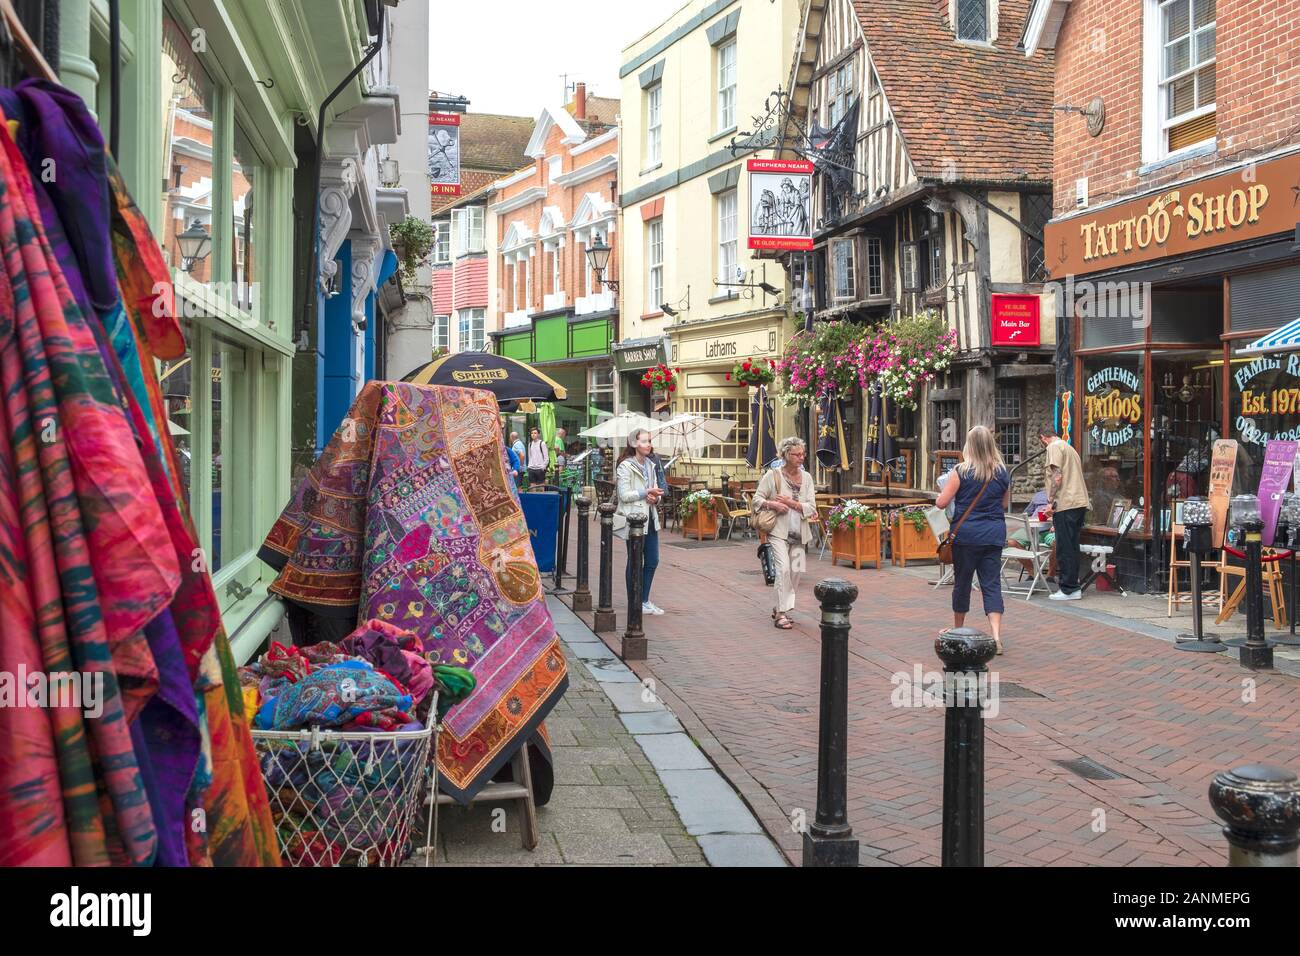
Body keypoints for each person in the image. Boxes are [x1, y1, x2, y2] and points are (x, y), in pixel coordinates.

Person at [935, 425, 1012, 653]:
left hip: (966, 535)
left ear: (970, 445)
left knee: (963, 583)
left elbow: (941, 503)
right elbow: (1004, 504)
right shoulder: (1001, 472)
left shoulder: (960, 471)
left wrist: (943, 494)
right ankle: (996, 637)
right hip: (993, 534)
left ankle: (959, 629)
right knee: (992, 585)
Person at [752, 436, 817, 630]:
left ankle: (781, 607)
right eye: (797, 454)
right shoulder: (772, 476)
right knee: (784, 570)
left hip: (800, 535)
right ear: (786, 455)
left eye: (803, 454)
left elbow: (812, 507)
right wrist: (772, 504)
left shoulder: (807, 478)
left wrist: (791, 504)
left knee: (796, 573)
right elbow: (756, 499)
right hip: (779, 532)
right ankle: (781, 614)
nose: (801, 458)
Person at [614, 429, 665, 616]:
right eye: (644, 441)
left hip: (650, 518)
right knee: (635, 560)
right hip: (634, 519)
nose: (648, 444)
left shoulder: (651, 465)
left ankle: (644, 599)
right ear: (634, 444)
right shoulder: (625, 466)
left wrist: (655, 499)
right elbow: (624, 495)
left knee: (652, 560)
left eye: (649, 441)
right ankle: (634, 600)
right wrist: (646, 493)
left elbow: (656, 492)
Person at [1039, 425, 1091, 600]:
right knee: (1072, 545)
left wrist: (1049, 502)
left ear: (1042, 438)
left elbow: (1057, 476)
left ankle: (1069, 588)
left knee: (1064, 547)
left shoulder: (1053, 447)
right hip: (1078, 502)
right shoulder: (1069, 448)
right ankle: (1073, 585)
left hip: (1066, 503)